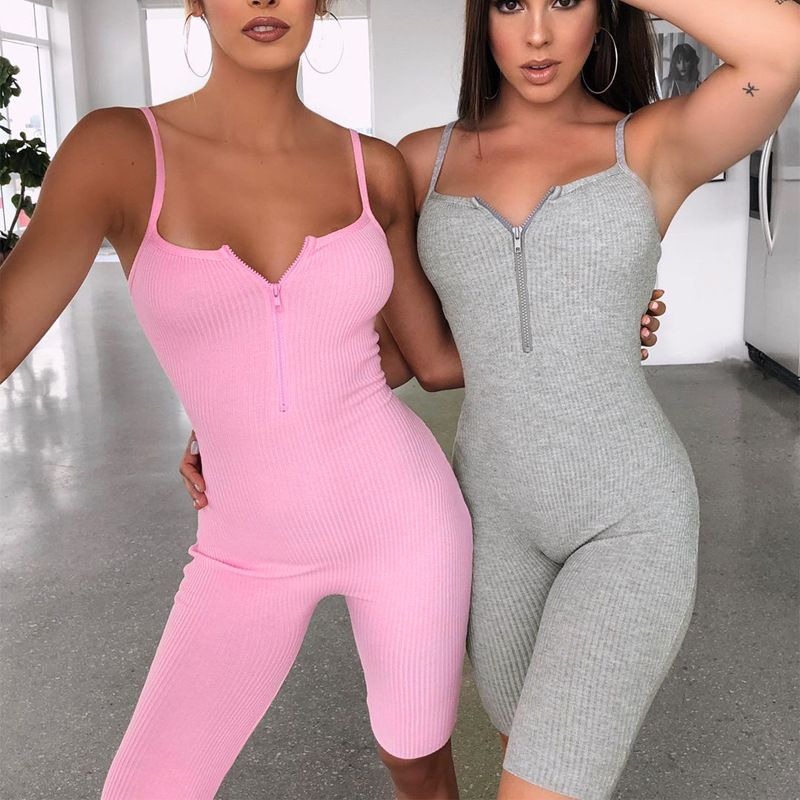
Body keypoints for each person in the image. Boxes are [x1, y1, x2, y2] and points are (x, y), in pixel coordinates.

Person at [0, 1, 666, 798]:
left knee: (417, 762)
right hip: (244, 546)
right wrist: (239, 423)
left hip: (404, 522)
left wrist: (594, 324)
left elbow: (431, 360)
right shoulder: (118, 150)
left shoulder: (373, 168)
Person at [392, 1, 799, 799]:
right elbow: (420, 357)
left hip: (628, 516)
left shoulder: (648, 144)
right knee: (528, 752)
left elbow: (783, 50)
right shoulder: (420, 162)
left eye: (566, 0)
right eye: (511, 3)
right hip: (491, 520)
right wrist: (239, 428)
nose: (538, 33)